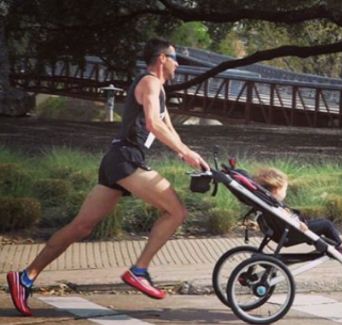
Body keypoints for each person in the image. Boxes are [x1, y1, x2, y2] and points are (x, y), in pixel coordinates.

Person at [7, 38, 210, 316]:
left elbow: (167, 128)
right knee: (176, 212)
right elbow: (151, 122)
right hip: (127, 159)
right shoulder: (150, 82)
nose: (178, 64)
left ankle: (25, 277)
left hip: (116, 160)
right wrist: (185, 152)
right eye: (176, 58)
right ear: (162, 58)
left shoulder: (159, 89)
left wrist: (189, 154)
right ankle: (139, 271)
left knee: (81, 227)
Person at [252, 167, 342, 259]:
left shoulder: (271, 202)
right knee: (326, 224)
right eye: (285, 189)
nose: (286, 192)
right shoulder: (274, 204)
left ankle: (324, 245)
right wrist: (299, 223)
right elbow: (285, 218)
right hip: (289, 234)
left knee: (316, 223)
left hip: (281, 233)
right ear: (276, 190)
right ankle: (341, 246)